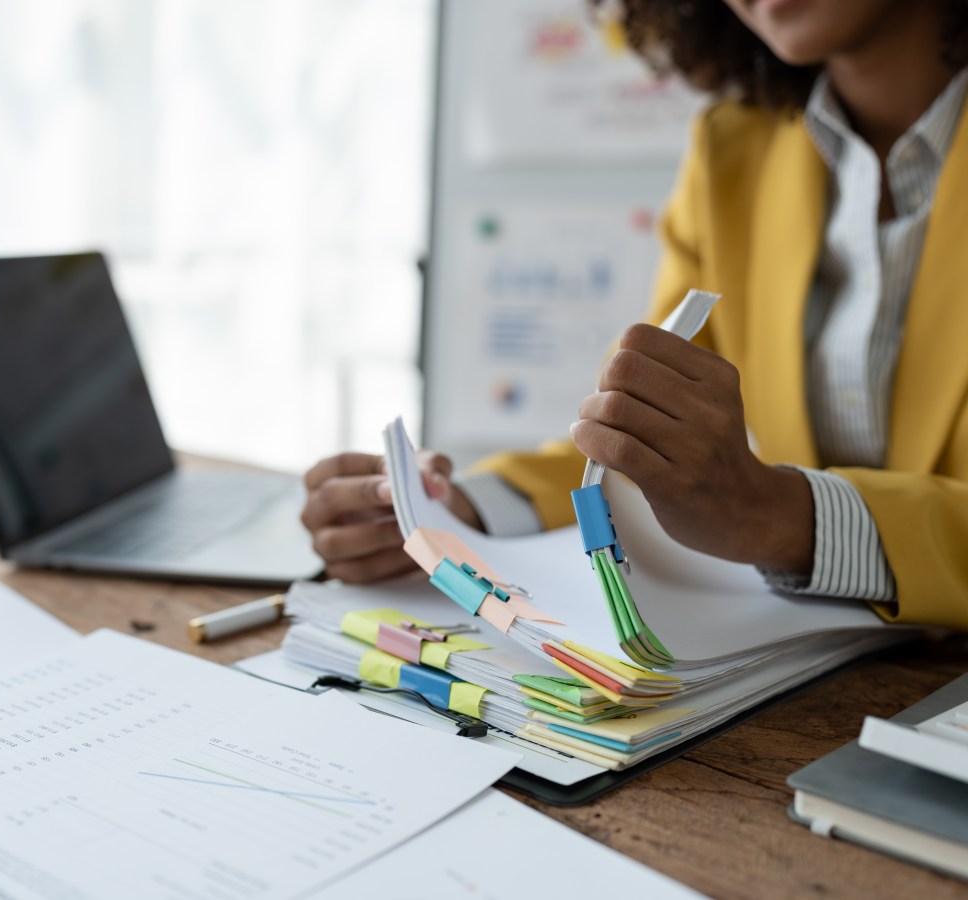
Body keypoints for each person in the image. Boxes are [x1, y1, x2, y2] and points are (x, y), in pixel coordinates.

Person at [301, 0, 968, 632]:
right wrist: (454, 512)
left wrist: (781, 519)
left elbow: (747, 499)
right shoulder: (733, 152)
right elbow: (650, 441)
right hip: (822, 686)